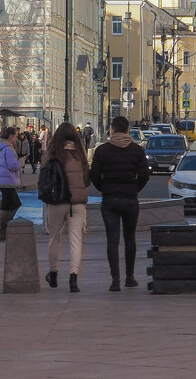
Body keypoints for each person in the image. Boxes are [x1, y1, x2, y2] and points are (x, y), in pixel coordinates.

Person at [89, 115, 150, 291]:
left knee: (112, 239)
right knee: (130, 238)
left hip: (109, 199)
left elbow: (94, 175)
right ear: (128, 130)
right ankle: (129, 278)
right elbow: (145, 176)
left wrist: (104, 188)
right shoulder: (136, 150)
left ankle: (115, 280)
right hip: (130, 199)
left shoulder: (102, 150)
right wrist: (134, 188)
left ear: (112, 130)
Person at [42, 121, 91, 293]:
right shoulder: (80, 153)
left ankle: (53, 273)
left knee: (54, 238)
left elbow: (44, 176)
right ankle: (73, 279)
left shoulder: (51, 153)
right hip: (77, 202)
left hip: (57, 201)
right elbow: (86, 179)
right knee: (76, 240)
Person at [0, 127, 22, 241]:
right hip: (8, 180)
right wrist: (20, 162)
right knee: (13, 204)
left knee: (8, 204)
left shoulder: (0, 147)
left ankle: (4, 230)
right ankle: (4, 229)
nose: (16, 139)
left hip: (2, 180)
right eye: (15, 136)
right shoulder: (9, 149)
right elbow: (13, 166)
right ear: (10, 136)